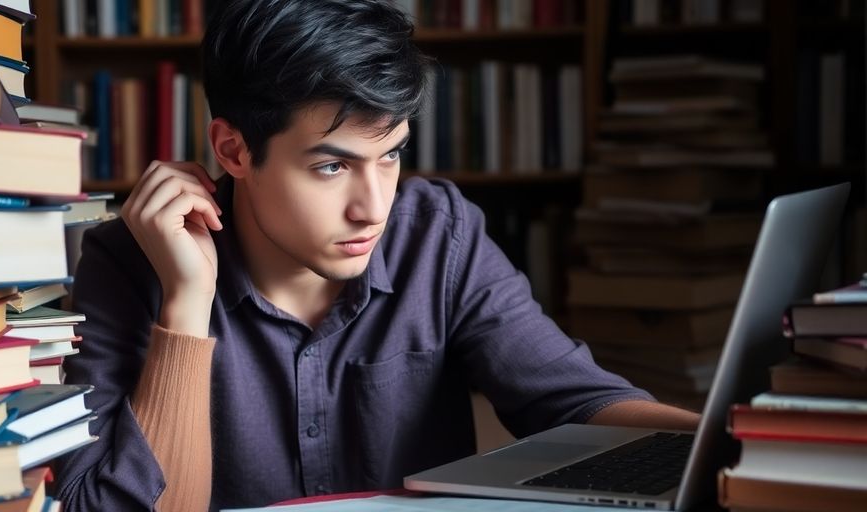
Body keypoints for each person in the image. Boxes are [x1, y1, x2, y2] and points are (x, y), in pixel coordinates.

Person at [54, 0, 700, 510]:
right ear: (234, 151)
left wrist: (751, 441)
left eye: (389, 155)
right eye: (332, 166)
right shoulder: (129, 264)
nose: (374, 206)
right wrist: (186, 305)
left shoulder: (436, 234)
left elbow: (577, 402)